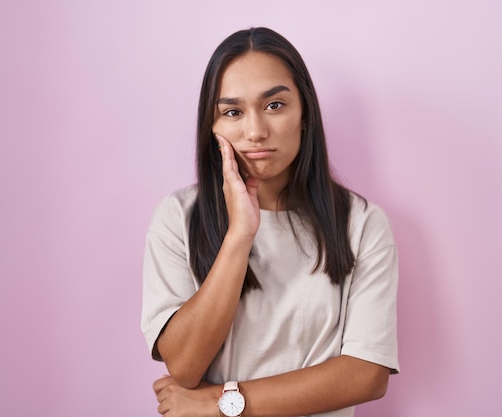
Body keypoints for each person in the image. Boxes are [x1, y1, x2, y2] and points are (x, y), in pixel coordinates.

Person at [142, 27, 399, 417]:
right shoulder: (178, 217)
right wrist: (239, 236)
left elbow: (367, 373)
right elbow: (184, 365)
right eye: (232, 112)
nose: (255, 131)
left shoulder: (361, 224)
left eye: (274, 105)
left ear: (305, 115)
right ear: (212, 128)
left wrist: (220, 403)